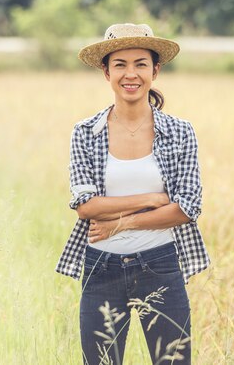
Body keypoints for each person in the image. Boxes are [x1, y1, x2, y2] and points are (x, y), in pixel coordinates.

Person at [55, 23, 210, 364]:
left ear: (156, 70)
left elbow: (186, 207)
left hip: (161, 264)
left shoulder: (180, 132)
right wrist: (149, 199)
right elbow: (86, 206)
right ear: (105, 71)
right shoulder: (85, 132)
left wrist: (119, 224)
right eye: (120, 64)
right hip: (101, 269)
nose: (131, 74)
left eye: (140, 63)